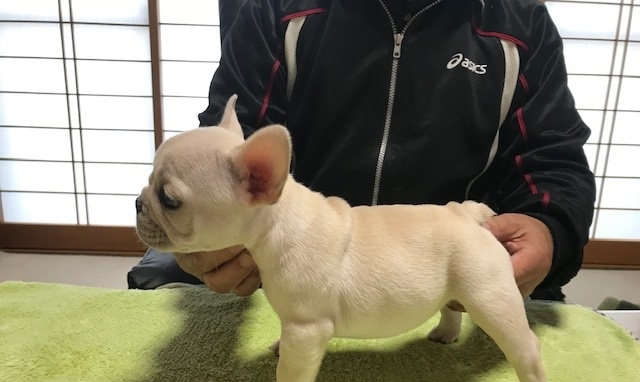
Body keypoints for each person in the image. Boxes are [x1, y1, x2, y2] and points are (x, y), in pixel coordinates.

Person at [128, 0, 596, 303]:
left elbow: (553, 161)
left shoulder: (521, 24)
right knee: (162, 283)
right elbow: (229, 139)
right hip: (288, 272)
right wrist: (212, 234)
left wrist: (549, 230)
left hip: (447, 281)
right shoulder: (276, 8)